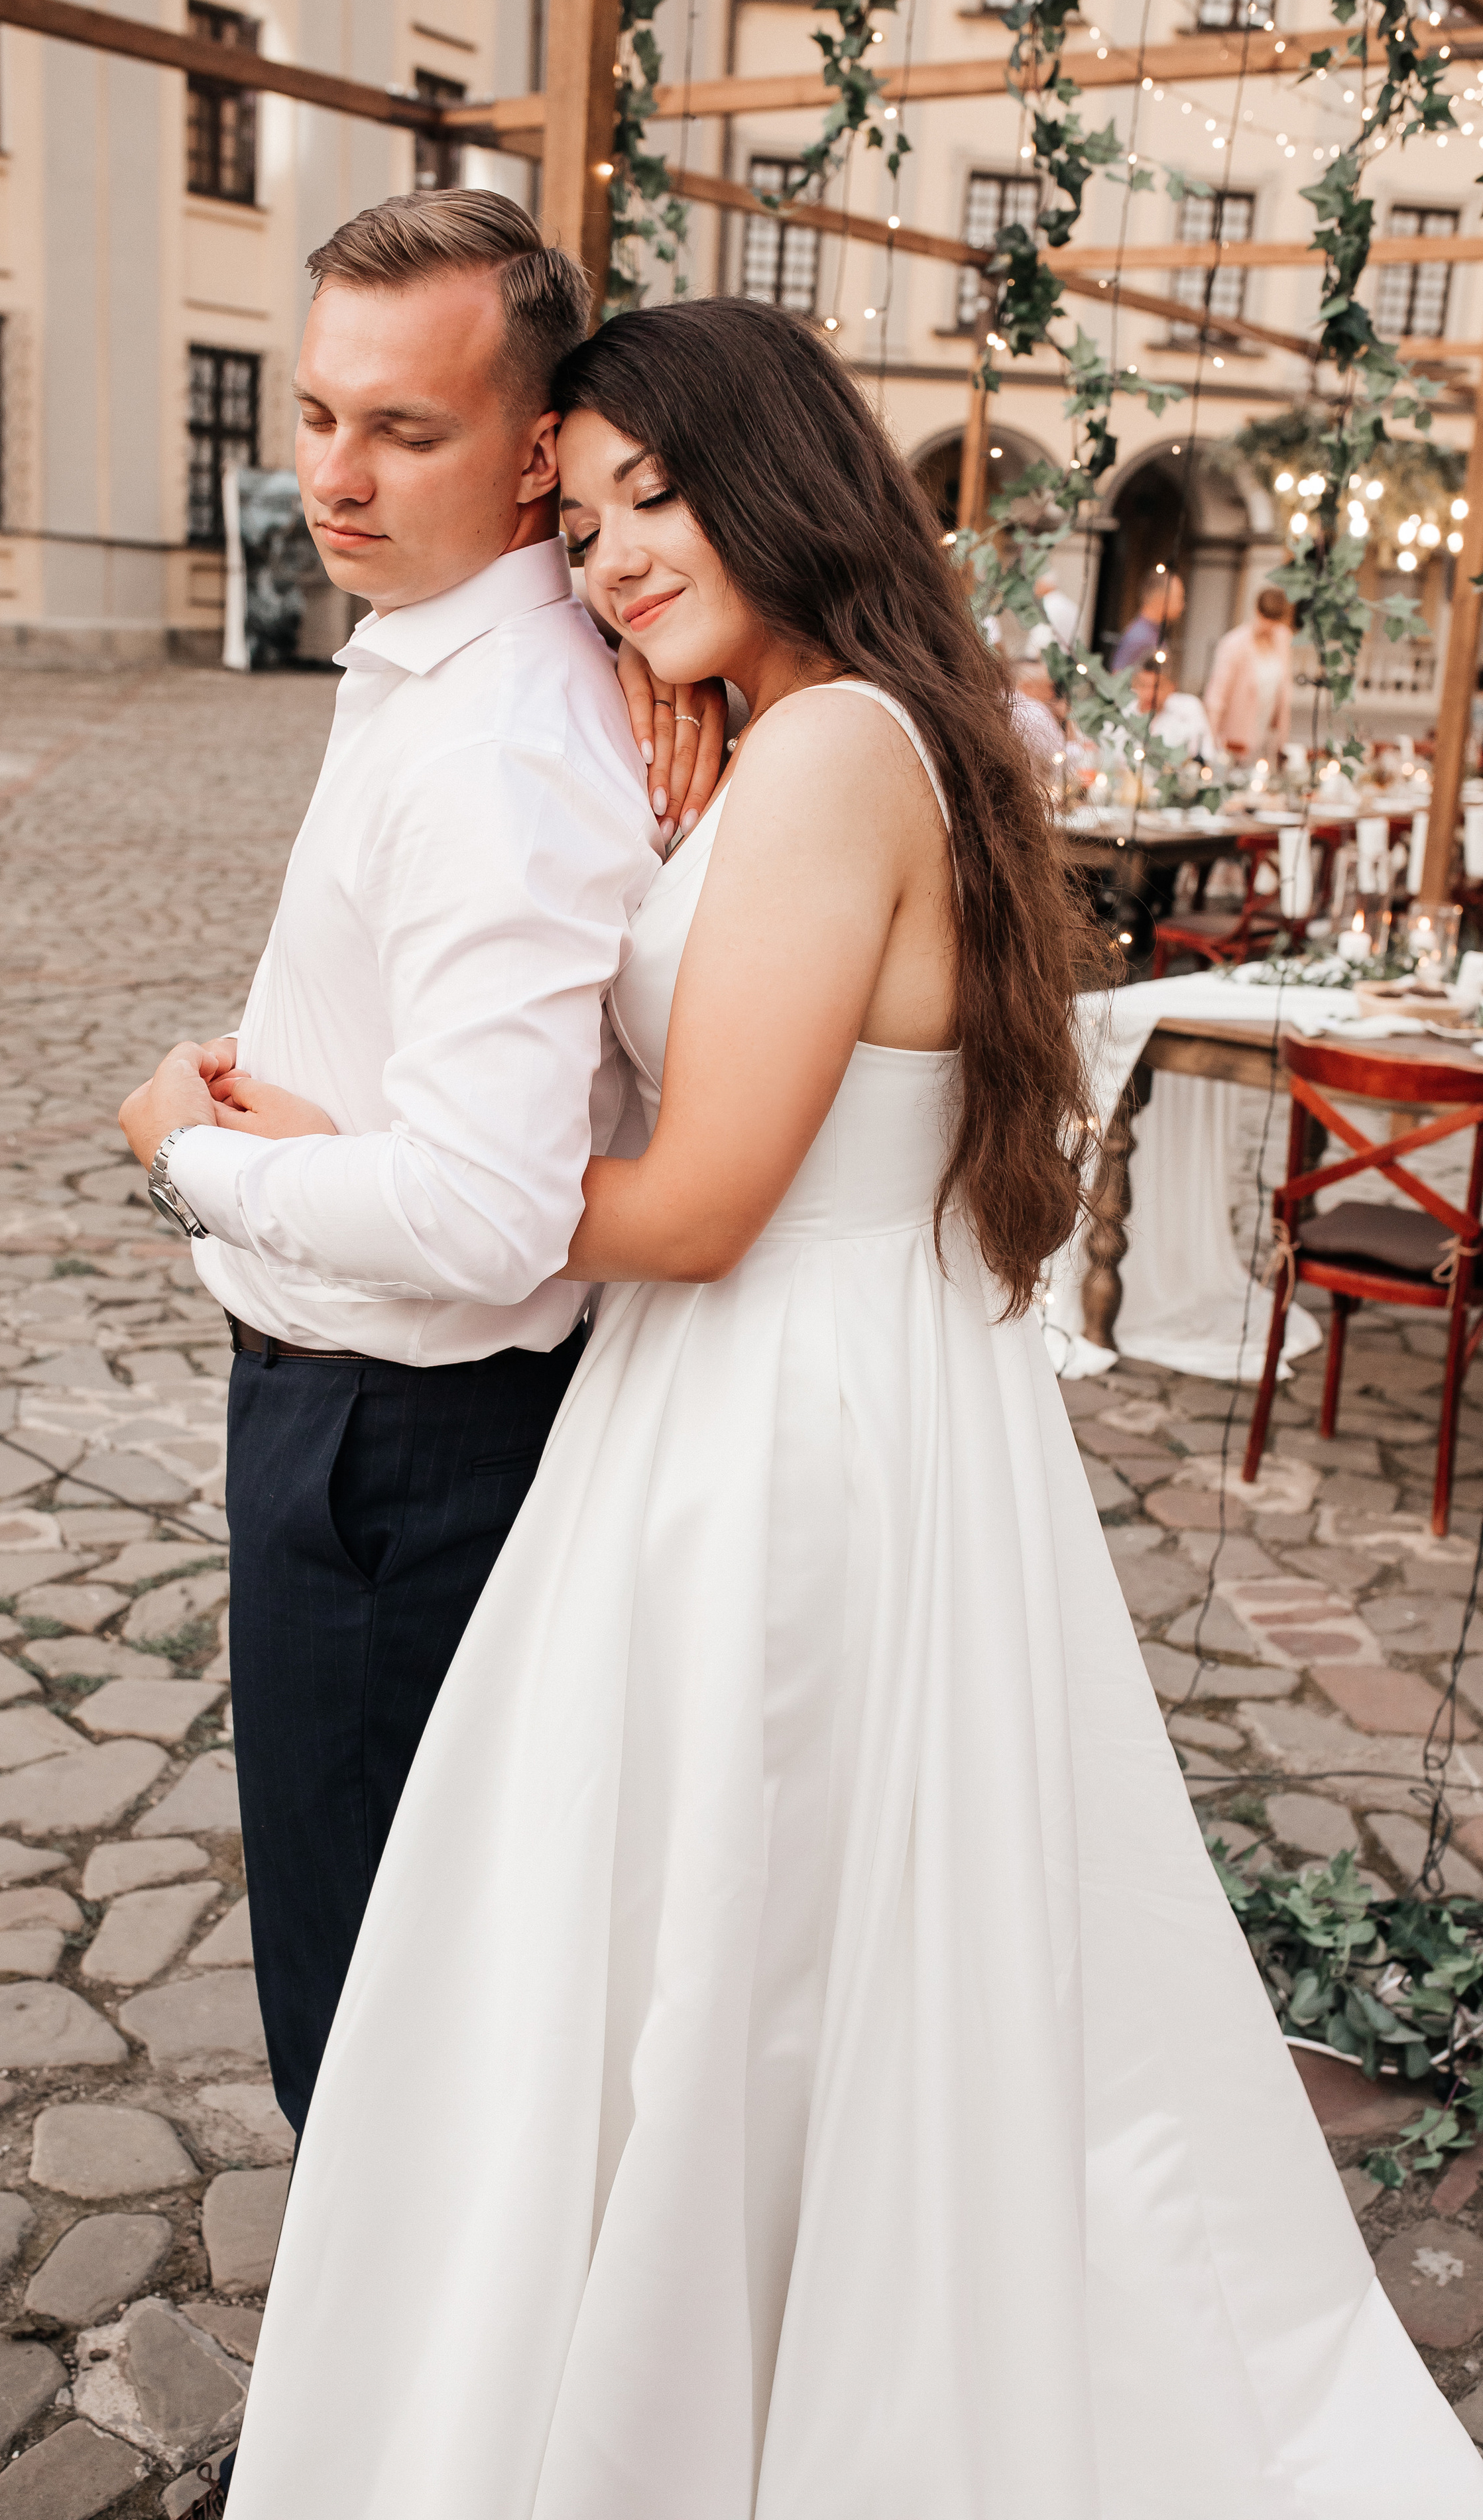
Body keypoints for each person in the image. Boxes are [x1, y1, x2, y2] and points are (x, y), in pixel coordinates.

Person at [218, 298, 1482, 2515]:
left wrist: (286, 1173)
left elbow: (699, 1202)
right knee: (769, 1943)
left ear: (780, 481)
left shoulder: (824, 758)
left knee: (741, 1940)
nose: (609, 556)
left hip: (764, 1416)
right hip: (801, 1391)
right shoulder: (827, 729)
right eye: (583, 516)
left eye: (652, 499)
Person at [116, 189, 725, 2161]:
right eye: (316, 415)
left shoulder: (501, 740)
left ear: (536, 446)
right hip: (376, 1417)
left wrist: (190, 1154)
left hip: (395, 1442)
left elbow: (481, 1216)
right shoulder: (458, 663)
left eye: (407, 429)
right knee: (409, 1982)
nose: (337, 476)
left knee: (373, 2022)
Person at [1206, 582, 1295, 765]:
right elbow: (1216, 698)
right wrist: (1210, 745)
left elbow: (1284, 689)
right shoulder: (1234, 644)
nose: (1269, 626)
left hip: (1267, 737)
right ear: (1256, 611)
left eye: (1275, 620)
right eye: (1265, 618)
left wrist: (1281, 738)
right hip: (1235, 738)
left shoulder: (1283, 639)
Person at [1108, 565, 1185, 671]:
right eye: (1179, 598)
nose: (1182, 606)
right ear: (1161, 598)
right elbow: (1118, 677)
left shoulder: (1153, 633)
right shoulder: (1140, 636)